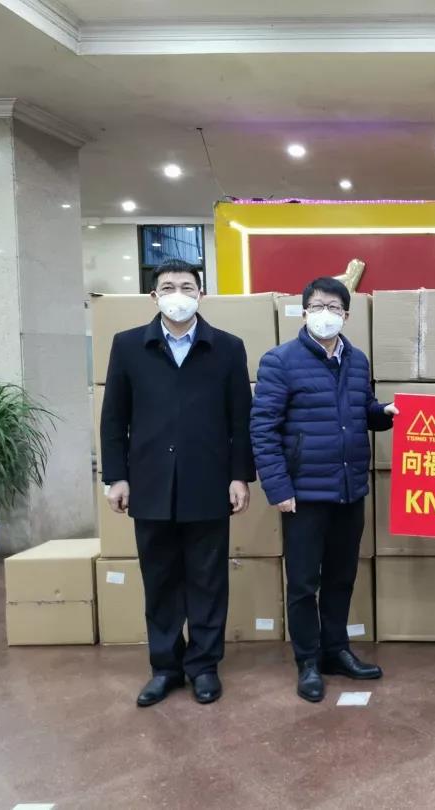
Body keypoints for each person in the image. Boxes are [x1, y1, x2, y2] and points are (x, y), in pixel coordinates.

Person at [101, 259, 254, 707]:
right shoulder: (129, 345)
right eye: (168, 287)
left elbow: (240, 421)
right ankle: (165, 667)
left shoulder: (227, 348)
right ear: (154, 296)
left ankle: (203, 666)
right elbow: (114, 419)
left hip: (209, 482)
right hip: (149, 483)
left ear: (201, 294)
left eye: (187, 286)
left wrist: (239, 476)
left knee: (208, 580)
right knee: (160, 580)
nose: (178, 295)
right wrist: (116, 476)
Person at [250, 276, 397, 703]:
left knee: (340, 577)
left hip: (349, 490)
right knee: (303, 583)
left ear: (346, 315)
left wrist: (384, 413)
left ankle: (336, 651)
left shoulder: (357, 360)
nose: (325, 314)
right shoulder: (280, 361)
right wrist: (279, 487)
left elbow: (361, 412)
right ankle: (308, 661)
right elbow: (263, 429)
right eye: (318, 306)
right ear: (304, 311)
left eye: (334, 308)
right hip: (303, 495)